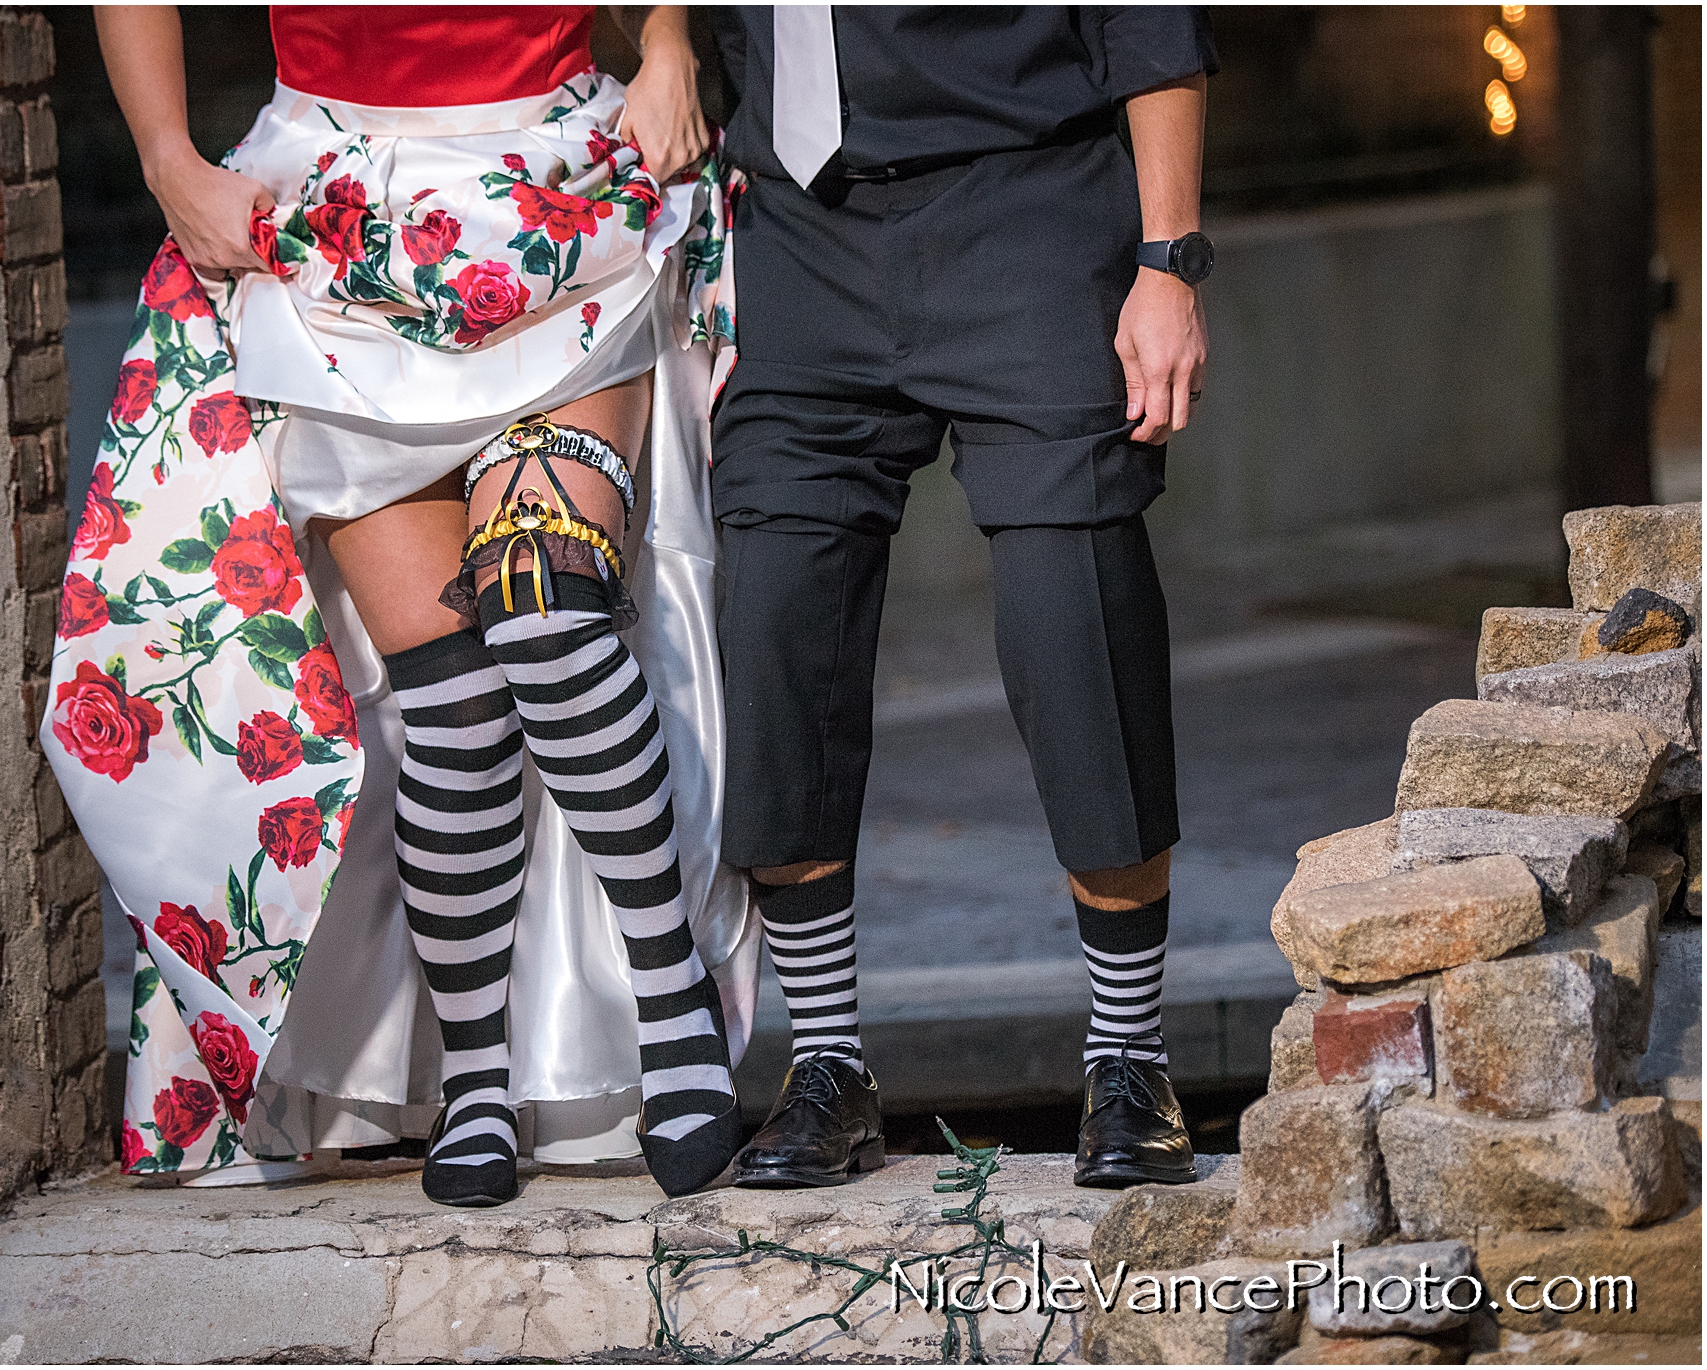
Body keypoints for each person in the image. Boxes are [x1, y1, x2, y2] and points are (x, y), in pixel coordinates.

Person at [89, 4, 749, 1207]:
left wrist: (664, 45)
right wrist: (165, 158)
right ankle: (476, 1074)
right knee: (451, 703)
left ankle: (672, 996)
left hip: (558, 209)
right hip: (330, 232)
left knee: (548, 619)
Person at [708, 7, 1217, 1189]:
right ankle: (826, 1062)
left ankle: (1128, 1054)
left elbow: (1150, 24)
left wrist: (1166, 259)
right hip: (796, 232)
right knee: (778, 616)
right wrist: (674, 39)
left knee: (1071, 608)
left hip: (1028, 208)